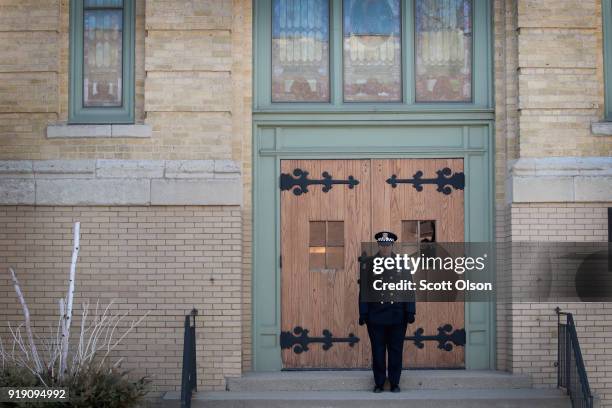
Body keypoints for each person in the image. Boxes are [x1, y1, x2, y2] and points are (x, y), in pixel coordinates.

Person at [358, 231, 416, 393]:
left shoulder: (402, 263)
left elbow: (409, 288)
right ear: (378, 245)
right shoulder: (369, 264)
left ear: (392, 245)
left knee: (396, 350)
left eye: (387, 245)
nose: (385, 247)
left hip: (397, 315)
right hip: (376, 315)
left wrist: (410, 310)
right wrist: (363, 313)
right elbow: (364, 290)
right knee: (378, 350)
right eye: (382, 245)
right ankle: (379, 383)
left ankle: (395, 382)